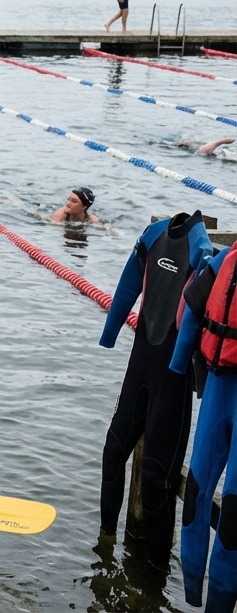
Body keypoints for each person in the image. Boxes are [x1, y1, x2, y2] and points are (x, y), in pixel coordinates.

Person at [98, 211, 211, 571]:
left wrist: (187, 365)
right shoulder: (153, 234)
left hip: (173, 380)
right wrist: (109, 334)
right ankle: (104, 547)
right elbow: (127, 285)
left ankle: (157, 574)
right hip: (139, 366)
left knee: (155, 477)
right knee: (113, 453)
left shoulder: (200, 246)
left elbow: (198, 310)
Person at [169, 240, 237, 612]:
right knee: (212, 500)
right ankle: (205, 601)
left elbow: (189, 313)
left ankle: (199, 598)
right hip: (219, 387)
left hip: (215, 388)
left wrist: (182, 364)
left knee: (205, 496)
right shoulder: (227, 258)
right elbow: (193, 309)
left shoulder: (227, 256)